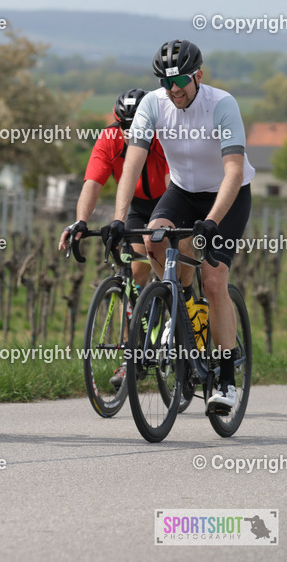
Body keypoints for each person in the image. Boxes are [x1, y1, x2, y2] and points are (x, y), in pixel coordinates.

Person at [103, 39, 253, 412]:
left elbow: (234, 170)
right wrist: (119, 217)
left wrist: (212, 221)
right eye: (166, 82)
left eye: (181, 80)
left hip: (226, 195)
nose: (173, 90)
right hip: (183, 191)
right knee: (154, 241)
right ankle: (183, 307)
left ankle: (225, 377)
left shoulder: (222, 105)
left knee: (214, 278)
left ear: (198, 75)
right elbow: (132, 164)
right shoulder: (154, 105)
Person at [58, 89, 171, 389]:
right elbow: (93, 183)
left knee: (161, 255)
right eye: (125, 127)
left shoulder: (164, 135)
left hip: (169, 200)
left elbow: (176, 181)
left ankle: (177, 322)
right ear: (116, 121)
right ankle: (129, 356)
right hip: (137, 204)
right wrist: (81, 221)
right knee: (134, 274)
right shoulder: (109, 138)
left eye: (138, 128)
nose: (131, 133)